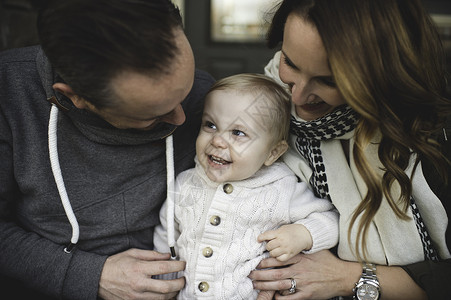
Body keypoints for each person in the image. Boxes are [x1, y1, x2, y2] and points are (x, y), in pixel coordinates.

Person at [0, 0, 215, 299]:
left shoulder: (209, 96)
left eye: (185, 92)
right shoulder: (9, 91)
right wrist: (88, 275)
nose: (182, 119)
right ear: (77, 98)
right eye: (152, 115)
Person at [248, 0, 451, 299]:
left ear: (381, 76)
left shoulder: (433, 136)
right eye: (290, 62)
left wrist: (349, 277)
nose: (299, 95)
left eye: (328, 80)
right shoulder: (261, 106)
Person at [153, 73, 339, 299]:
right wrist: (162, 285)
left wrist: (301, 234)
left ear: (272, 153)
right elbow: (166, 238)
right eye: (210, 125)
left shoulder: (280, 187)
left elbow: (329, 220)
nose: (218, 140)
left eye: (238, 133)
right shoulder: (186, 184)